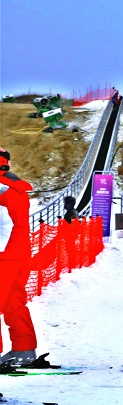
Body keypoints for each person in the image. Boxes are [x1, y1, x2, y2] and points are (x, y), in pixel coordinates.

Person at [0, 147, 37, 368]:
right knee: (14, 300)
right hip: (19, 251)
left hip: (4, 254)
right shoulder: (14, 187)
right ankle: (24, 349)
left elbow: (4, 225)